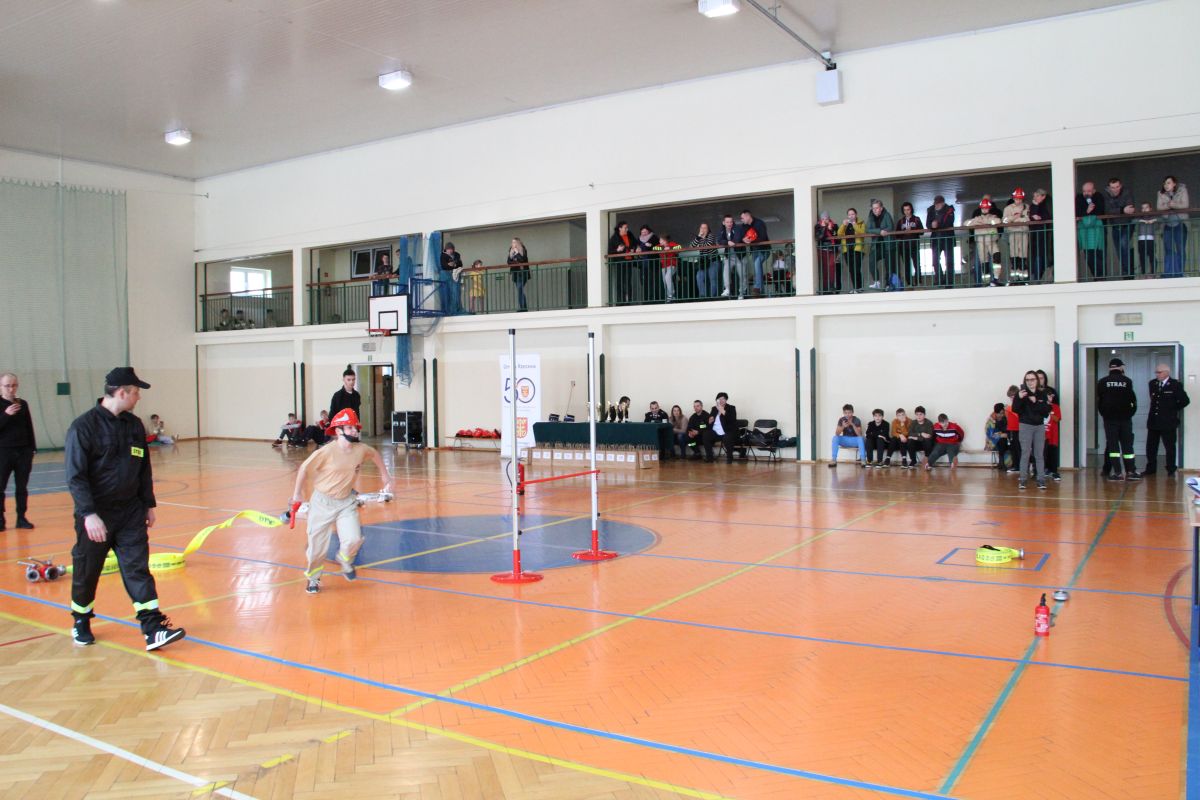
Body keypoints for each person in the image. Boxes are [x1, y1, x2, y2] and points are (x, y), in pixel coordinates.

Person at [65, 367, 185, 650]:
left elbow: (143, 468)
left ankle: (152, 628)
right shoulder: (83, 427)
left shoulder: (134, 425)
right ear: (122, 392)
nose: (138, 398)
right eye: (136, 392)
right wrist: (89, 514)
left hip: (131, 512)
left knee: (137, 568)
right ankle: (81, 620)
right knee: (87, 570)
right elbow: (76, 476)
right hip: (97, 514)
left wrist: (148, 504)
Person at [290, 408, 391, 594]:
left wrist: (385, 476)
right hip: (322, 503)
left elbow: (375, 454)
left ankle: (345, 560)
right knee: (317, 549)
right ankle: (313, 578)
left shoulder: (360, 450)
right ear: (338, 431)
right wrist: (297, 494)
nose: (355, 431)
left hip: (346, 502)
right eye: (350, 428)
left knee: (354, 539)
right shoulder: (326, 452)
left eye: (355, 427)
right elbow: (304, 468)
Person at [0, 372, 36, 530]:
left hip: (23, 452)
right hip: (3, 452)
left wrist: (32, 448)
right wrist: (6, 415)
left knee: (22, 487)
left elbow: (29, 426)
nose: (11, 389)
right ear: (1, 387)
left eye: (14, 385)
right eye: (7, 386)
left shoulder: (23, 404)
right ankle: (0, 520)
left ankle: (21, 518)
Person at [1144, 363, 1191, 477]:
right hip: (1154, 421)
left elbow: (1185, 401)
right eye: (1156, 372)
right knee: (1151, 447)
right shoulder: (1153, 383)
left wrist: (1172, 409)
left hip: (1168, 422)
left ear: (1166, 372)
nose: (1157, 374)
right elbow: (1154, 400)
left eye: (1159, 372)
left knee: (1169, 447)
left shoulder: (1175, 385)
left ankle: (1171, 469)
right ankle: (1151, 468)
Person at [1097, 357, 1139, 480]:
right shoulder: (1127, 381)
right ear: (1121, 367)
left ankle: (1117, 473)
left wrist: (1105, 414)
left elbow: (1099, 401)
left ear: (1110, 368)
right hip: (1125, 419)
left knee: (1113, 446)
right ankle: (1130, 471)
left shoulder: (1102, 382)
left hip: (1109, 419)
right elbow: (1133, 400)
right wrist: (1130, 413)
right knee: (1127, 445)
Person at [1013, 370, 1051, 489]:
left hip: (1039, 426)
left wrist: (1036, 402)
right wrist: (1019, 398)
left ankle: (1041, 480)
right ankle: (1023, 479)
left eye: (1032, 379)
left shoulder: (1042, 394)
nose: (1030, 382)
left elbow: (1046, 411)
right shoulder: (1021, 394)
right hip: (1025, 425)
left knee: (1039, 454)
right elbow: (1015, 409)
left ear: (1037, 380)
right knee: (1025, 453)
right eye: (1027, 380)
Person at [1101, 177, 1136, 279]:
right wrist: (1122, 210)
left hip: (1127, 224)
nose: (1115, 189)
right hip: (1115, 226)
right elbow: (1107, 210)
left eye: (1117, 187)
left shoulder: (1127, 192)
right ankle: (1127, 273)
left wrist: (1117, 210)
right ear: (1109, 188)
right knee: (1119, 251)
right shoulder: (1106, 195)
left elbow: (1130, 209)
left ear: (1120, 186)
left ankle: (1128, 273)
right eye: (1113, 187)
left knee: (1123, 246)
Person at [965, 198, 1002, 286]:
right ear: (981, 209)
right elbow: (966, 223)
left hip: (992, 241)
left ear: (989, 208)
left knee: (997, 257)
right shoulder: (977, 218)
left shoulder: (993, 217)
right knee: (984, 262)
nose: (985, 209)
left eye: (986, 208)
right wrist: (975, 222)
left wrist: (986, 222)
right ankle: (986, 282)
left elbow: (998, 221)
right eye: (983, 208)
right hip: (980, 241)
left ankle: (996, 279)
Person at [1157, 176, 1189, 278]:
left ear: (1174, 183)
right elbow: (1159, 207)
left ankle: (1180, 273)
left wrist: (1173, 204)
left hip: (1180, 223)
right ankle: (1168, 273)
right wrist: (1168, 205)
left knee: (1180, 249)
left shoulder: (1182, 190)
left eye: (1168, 183)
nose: (1166, 185)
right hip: (1167, 224)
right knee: (1168, 250)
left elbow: (1185, 205)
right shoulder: (1160, 193)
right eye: (1165, 183)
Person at [735, 210, 770, 297]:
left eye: (742, 218)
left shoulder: (759, 223)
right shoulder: (744, 226)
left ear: (748, 216)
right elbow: (741, 236)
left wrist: (751, 240)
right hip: (754, 250)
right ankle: (761, 291)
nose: (741, 220)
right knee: (758, 268)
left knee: (757, 263)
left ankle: (757, 287)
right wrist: (743, 239)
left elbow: (763, 237)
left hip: (764, 250)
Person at [1076, 182, 1106, 279]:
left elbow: (1101, 211)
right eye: (1084, 191)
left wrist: (1088, 212)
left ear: (1094, 191)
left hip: (1097, 231)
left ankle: (1101, 277)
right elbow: (1077, 212)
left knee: (1099, 255)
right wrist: (1087, 211)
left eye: (1089, 191)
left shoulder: (1098, 197)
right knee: (1088, 256)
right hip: (1085, 232)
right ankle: (1096, 276)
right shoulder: (1079, 198)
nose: (1086, 193)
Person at [702, 392, 741, 463]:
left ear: (726, 400)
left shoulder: (731, 408)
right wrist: (709, 421)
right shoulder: (714, 408)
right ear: (717, 400)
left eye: (723, 399)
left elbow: (732, 419)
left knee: (727, 437)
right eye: (719, 399)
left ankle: (730, 457)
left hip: (727, 432)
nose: (721, 400)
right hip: (716, 432)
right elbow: (710, 421)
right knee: (706, 435)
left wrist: (722, 411)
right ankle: (710, 457)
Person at [926, 195, 956, 286]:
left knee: (949, 261)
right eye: (935, 204)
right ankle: (939, 278)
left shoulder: (949, 210)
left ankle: (949, 282)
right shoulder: (931, 210)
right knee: (935, 260)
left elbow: (950, 222)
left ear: (943, 203)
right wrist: (931, 225)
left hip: (948, 238)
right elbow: (927, 223)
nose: (936, 206)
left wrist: (937, 225)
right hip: (936, 239)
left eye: (938, 204)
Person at [865, 199, 894, 290]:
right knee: (871, 261)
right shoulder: (871, 216)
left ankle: (888, 284)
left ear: (881, 208)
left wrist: (880, 231)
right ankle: (876, 282)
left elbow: (890, 227)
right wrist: (879, 231)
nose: (875, 210)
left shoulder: (886, 215)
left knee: (888, 265)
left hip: (887, 244)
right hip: (876, 245)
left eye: (877, 208)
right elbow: (867, 229)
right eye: (873, 208)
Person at [1002, 188, 1031, 282]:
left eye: (1020, 199)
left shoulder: (1026, 207)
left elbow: (1027, 219)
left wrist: (1015, 220)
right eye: (1016, 199)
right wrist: (1015, 217)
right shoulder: (1008, 209)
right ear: (1013, 198)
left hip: (1023, 232)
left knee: (1023, 253)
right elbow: (1005, 221)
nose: (1018, 201)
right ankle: (1014, 279)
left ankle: (1023, 278)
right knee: (1013, 253)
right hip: (1012, 233)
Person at [893, 202, 923, 289]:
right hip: (904, 246)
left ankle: (918, 282)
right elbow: (897, 235)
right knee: (906, 265)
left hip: (914, 245)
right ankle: (909, 283)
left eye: (908, 209)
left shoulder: (916, 219)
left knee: (917, 264)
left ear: (911, 209)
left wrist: (912, 229)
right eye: (905, 210)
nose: (907, 212)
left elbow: (922, 231)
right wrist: (904, 232)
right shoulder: (900, 221)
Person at [838, 209, 867, 293]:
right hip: (847, 249)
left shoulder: (861, 223)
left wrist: (854, 224)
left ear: (856, 215)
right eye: (849, 215)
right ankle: (856, 288)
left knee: (856, 268)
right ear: (847, 216)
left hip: (858, 249)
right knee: (851, 269)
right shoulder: (846, 224)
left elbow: (862, 233)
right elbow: (839, 234)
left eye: (853, 214)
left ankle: (859, 287)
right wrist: (843, 225)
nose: (851, 216)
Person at [608, 221, 637, 304]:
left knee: (628, 281)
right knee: (620, 282)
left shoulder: (629, 234)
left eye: (627, 228)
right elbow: (610, 252)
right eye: (625, 228)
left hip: (629, 261)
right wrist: (617, 250)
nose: (627, 229)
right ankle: (621, 301)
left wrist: (634, 249)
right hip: (620, 262)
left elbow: (635, 244)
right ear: (620, 228)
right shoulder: (614, 238)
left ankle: (628, 300)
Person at [1028, 189, 1053, 282]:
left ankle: (1039, 276)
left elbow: (1049, 215)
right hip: (1035, 235)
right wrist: (1035, 206)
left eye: (1037, 196)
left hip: (1046, 235)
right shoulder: (1033, 205)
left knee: (1042, 255)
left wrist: (1040, 217)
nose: (1034, 198)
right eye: (1034, 196)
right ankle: (1036, 276)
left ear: (1043, 196)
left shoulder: (1048, 204)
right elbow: (1031, 215)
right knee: (1036, 255)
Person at [689, 222, 719, 299]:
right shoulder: (699, 237)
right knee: (699, 277)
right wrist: (698, 237)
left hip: (713, 260)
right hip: (703, 262)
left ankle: (713, 297)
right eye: (701, 228)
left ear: (708, 229)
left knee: (712, 278)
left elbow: (708, 244)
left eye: (705, 228)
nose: (703, 229)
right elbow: (691, 246)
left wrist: (701, 240)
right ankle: (703, 296)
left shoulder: (711, 235)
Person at [716, 214, 742, 299]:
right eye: (727, 222)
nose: (729, 223)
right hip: (729, 256)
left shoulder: (737, 228)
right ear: (723, 223)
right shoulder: (721, 231)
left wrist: (730, 241)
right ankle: (727, 289)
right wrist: (727, 242)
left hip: (740, 256)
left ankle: (741, 293)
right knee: (726, 272)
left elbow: (737, 239)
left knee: (742, 275)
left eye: (731, 222)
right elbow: (719, 240)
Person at [814, 212, 840, 293]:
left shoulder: (834, 225)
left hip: (832, 249)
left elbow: (837, 237)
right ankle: (825, 288)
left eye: (827, 218)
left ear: (829, 218)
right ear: (821, 219)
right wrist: (824, 227)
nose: (825, 220)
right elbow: (819, 237)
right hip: (823, 249)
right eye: (823, 219)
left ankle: (831, 286)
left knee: (832, 266)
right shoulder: (818, 226)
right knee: (825, 269)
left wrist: (831, 229)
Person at [653, 234, 682, 302]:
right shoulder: (659, 246)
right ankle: (669, 296)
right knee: (665, 281)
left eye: (661, 240)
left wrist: (670, 248)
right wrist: (663, 249)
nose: (659, 241)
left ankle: (671, 295)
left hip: (672, 265)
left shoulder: (671, 244)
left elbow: (679, 247)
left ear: (665, 240)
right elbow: (654, 248)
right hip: (664, 266)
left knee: (667, 277)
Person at [635, 225, 660, 303]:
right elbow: (636, 247)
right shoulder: (639, 239)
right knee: (643, 280)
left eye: (645, 232)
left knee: (652, 281)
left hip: (652, 263)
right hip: (643, 263)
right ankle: (646, 299)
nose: (643, 233)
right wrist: (637, 249)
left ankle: (654, 299)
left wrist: (651, 246)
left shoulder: (654, 237)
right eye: (642, 232)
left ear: (649, 231)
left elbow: (659, 248)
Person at [985, 403, 1010, 472]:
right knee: (1001, 441)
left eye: (1003, 413)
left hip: (1007, 440)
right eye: (999, 413)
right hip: (993, 443)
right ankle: (1002, 462)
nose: (1001, 415)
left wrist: (1005, 435)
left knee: (1011, 442)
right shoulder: (991, 421)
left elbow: (1010, 431)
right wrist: (1000, 435)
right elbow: (990, 434)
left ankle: (1002, 463)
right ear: (995, 413)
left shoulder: (1006, 418)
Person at [507, 238, 530, 311]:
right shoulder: (511, 250)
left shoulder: (523, 249)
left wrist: (517, 253)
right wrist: (512, 256)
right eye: (512, 242)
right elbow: (508, 262)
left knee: (520, 289)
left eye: (514, 242)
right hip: (515, 273)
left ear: (518, 243)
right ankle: (523, 307)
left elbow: (522, 260)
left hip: (522, 272)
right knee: (520, 290)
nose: (512, 244)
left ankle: (523, 308)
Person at [1135, 203, 1157, 276]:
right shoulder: (1139, 217)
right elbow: (1133, 220)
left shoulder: (1153, 216)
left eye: (1146, 207)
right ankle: (1143, 273)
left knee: (1152, 256)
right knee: (1142, 257)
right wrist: (1142, 221)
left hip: (1151, 239)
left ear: (1150, 209)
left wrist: (1153, 220)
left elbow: (1161, 219)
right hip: (1141, 240)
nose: (1144, 209)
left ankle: (1153, 272)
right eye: (1143, 208)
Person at [1003, 386, 1022, 474]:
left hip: (1019, 429)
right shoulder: (1010, 407)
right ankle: (1016, 466)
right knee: (1013, 448)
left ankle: (1021, 467)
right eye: (1010, 397)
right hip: (1011, 430)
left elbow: (1019, 415)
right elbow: (1008, 418)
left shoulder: (1018, 405)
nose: (1011, 398)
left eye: (1013, 396)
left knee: (1019, 448)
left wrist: (1009, 409)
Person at [439, 243, 462, 312]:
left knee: (455, 293)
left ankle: (456, 309)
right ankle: (446, 310)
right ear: (446, 249)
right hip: (446, 277)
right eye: (449, 249)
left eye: (451, 249)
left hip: (454, 276)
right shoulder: (443, 256)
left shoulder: (457, 255)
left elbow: (460, 264)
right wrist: (452, 265)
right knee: (446, 294)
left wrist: (453, 264)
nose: (450, 251)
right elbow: (444, 266)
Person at [1044, 396, 1062, 482]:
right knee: (1044, 453)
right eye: (1048, 396)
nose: (1050, 398)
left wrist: (1049, 412)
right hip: (1043, 434)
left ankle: (1054, 471)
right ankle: (1045, 470)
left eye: (1051, 396)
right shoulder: (1040, 406)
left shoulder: (1056, 407)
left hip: (1053, 435)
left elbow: (1057, 419)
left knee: (1053, 453)